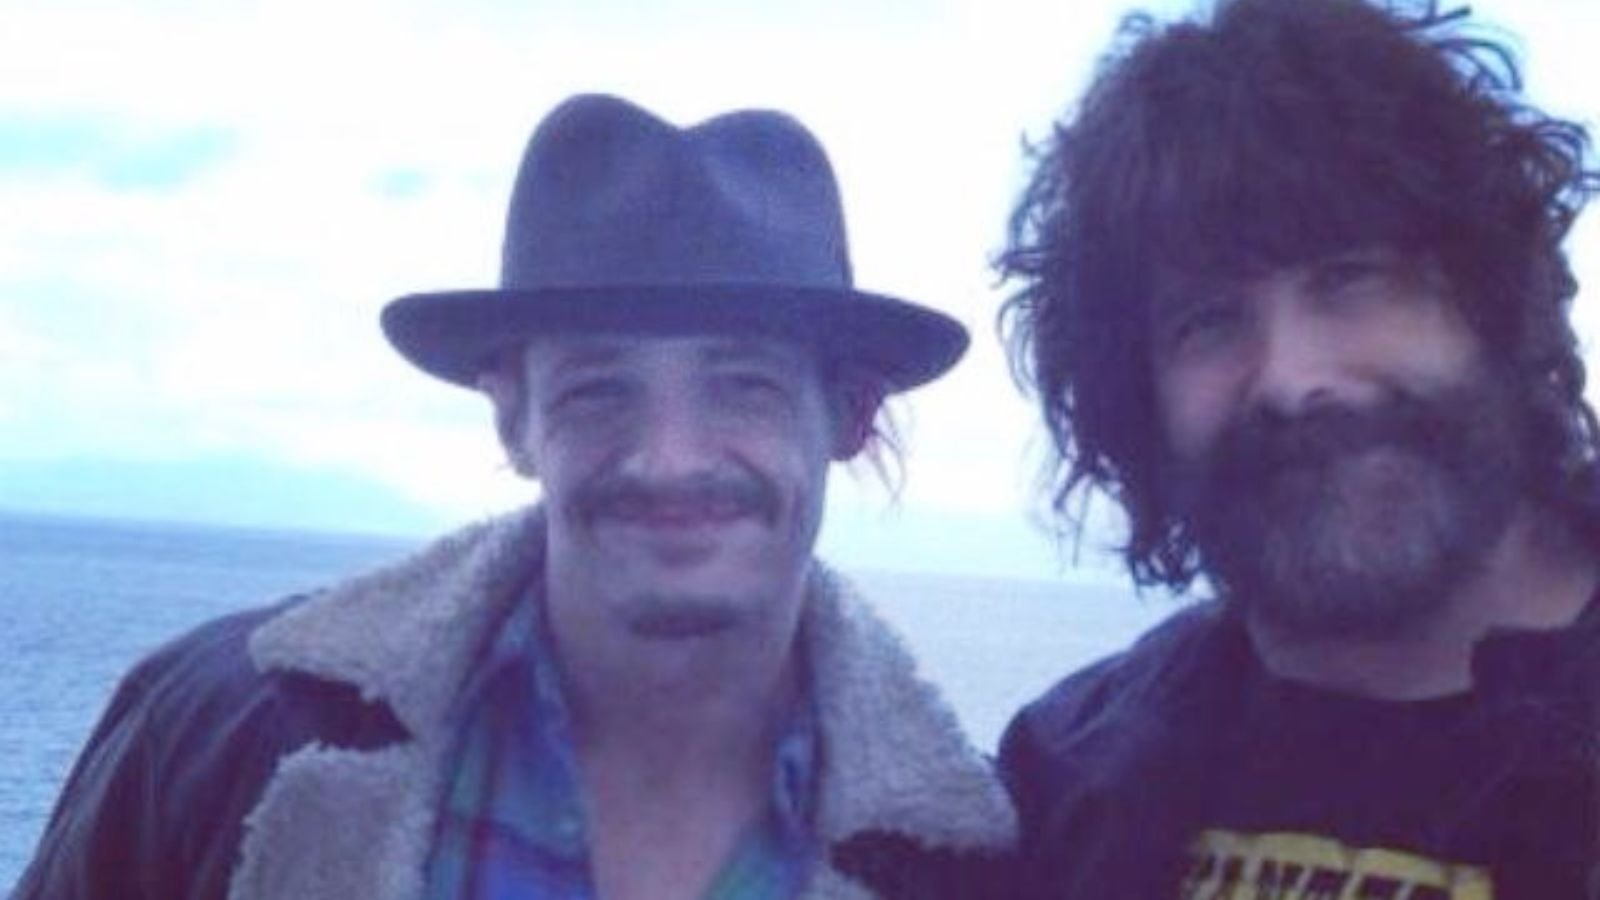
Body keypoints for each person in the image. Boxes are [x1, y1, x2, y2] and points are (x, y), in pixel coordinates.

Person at [17, 93, 1016, 900]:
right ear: (514, 419)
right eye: (599, 390)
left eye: (743, 385)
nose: (668, 459)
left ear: (849, 414)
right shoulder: (218, 734)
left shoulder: (973, 862)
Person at [994, 0, 1600, 896]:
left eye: (1350, 279)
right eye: (1208, 322)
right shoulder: (1058, 781)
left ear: (1495, 301)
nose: (1291, 378)